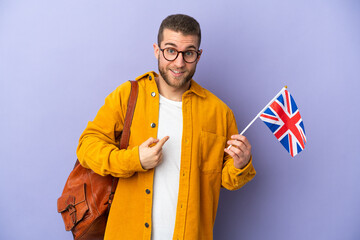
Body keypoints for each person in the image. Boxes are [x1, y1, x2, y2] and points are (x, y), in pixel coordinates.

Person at [77, 14, 256, 240]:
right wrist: (134, 160)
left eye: (188, 53)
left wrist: (241, 164)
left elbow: (226, 179)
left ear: (198, 56)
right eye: (171, 50)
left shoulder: (219, 112)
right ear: (157, 50)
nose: (179, 63)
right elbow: (86, 146)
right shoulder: (128, 96)